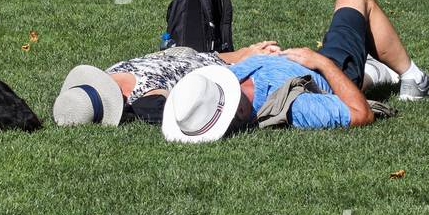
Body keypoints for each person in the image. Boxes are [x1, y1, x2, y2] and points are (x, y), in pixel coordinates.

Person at [162, 0, 429, 142]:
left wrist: (251, 52)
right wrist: (321, 62)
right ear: (233, 113)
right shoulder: (296, 109)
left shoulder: (230, 81)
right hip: (332, 69)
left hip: (308, 62)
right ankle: (415, 80)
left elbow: (206, 64)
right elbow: (360, 114)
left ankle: (373, 72)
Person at [53, 40, 282, 127]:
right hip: (218, 66)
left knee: (270, 54)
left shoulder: (145, 96)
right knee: (279, 58)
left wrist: (243, 54)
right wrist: (243, 55)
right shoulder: (114, 70)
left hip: (213, 63)